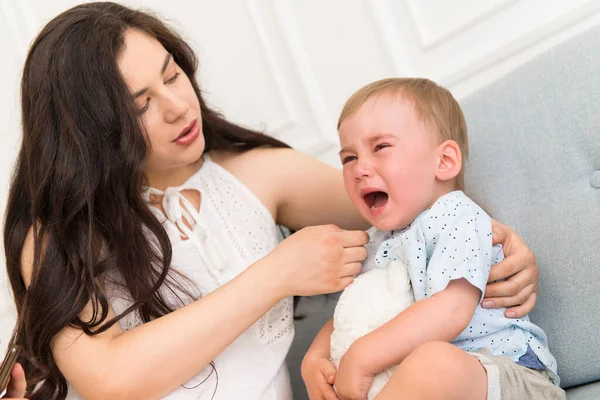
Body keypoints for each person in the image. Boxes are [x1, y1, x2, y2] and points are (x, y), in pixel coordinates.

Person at [2, 3, 540, 399]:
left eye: (172, 73)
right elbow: (110, 379)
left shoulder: (258, 174)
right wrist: (277, 274)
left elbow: (411, 205)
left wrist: (502, 242)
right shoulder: (56, 234)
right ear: (92, 132)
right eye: (140, 105)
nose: (177, 104)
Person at [304, 78, 565, 400]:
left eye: (381, 147)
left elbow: (452, 308)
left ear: (444, 161)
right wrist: (315, 357)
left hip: (504, 374)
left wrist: (362, 356)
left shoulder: (457, 217)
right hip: (415, 384)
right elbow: (353, 312)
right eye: (348, 158)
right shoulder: (371, 243)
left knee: (431, 364)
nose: (359, 169)